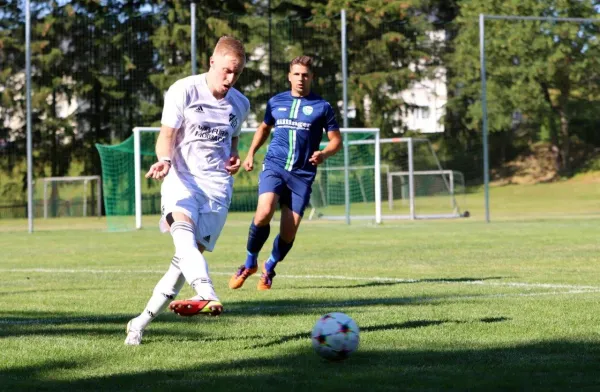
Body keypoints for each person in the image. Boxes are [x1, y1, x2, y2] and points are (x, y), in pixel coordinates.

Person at [125, 36, 250, 345]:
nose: (229, 79)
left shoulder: (241, 104)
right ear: (212, 62)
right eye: (225, 70)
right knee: (182, 236)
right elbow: (166, 134)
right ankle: (206, 291)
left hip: (217, 190)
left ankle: (139, 323)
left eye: (236, 73)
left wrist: (234, 158)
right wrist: (165, 160)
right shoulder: (184, 90)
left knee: (183, 261)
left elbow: (232, 140)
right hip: (182, 179)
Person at [228, 55, 341, 291]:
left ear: (312, 77)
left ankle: (269, 267)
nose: (301, 79)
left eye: (305, 75)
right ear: (289, 76)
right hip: (275, 166)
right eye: (297, 74)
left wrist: (324, 154)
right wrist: (250, 154)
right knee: (264, 212)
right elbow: (264, 128)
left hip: (302, 174)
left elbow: (336, 141)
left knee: (288, 233)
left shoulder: (323, 107)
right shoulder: (276, 102)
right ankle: (249, 263)